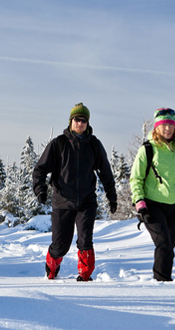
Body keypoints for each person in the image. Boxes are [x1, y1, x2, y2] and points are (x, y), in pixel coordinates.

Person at [32, 102, 117, 281]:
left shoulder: (94, 145)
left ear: (88, 123)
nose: (80, 123)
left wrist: (112, 196)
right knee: (60, 245)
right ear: (71, 121)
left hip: (86, 201)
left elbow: (106, 172)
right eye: (77, 119)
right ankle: (52, 265)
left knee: (85, 241)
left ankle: (85, 277)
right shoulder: (59, 144)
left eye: (84, 120)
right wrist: (40, 190)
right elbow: (40, 169)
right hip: (62, 201)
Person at [130, 107, 175, 281]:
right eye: (164, 125)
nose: (168, 129)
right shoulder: (147, 150)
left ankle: (163, 279)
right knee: (163, 244)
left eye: (170, 125)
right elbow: (136, 178)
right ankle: (162, 281)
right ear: (156, 127)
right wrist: (140, 203)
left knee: (170, 245)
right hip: (152, 205)